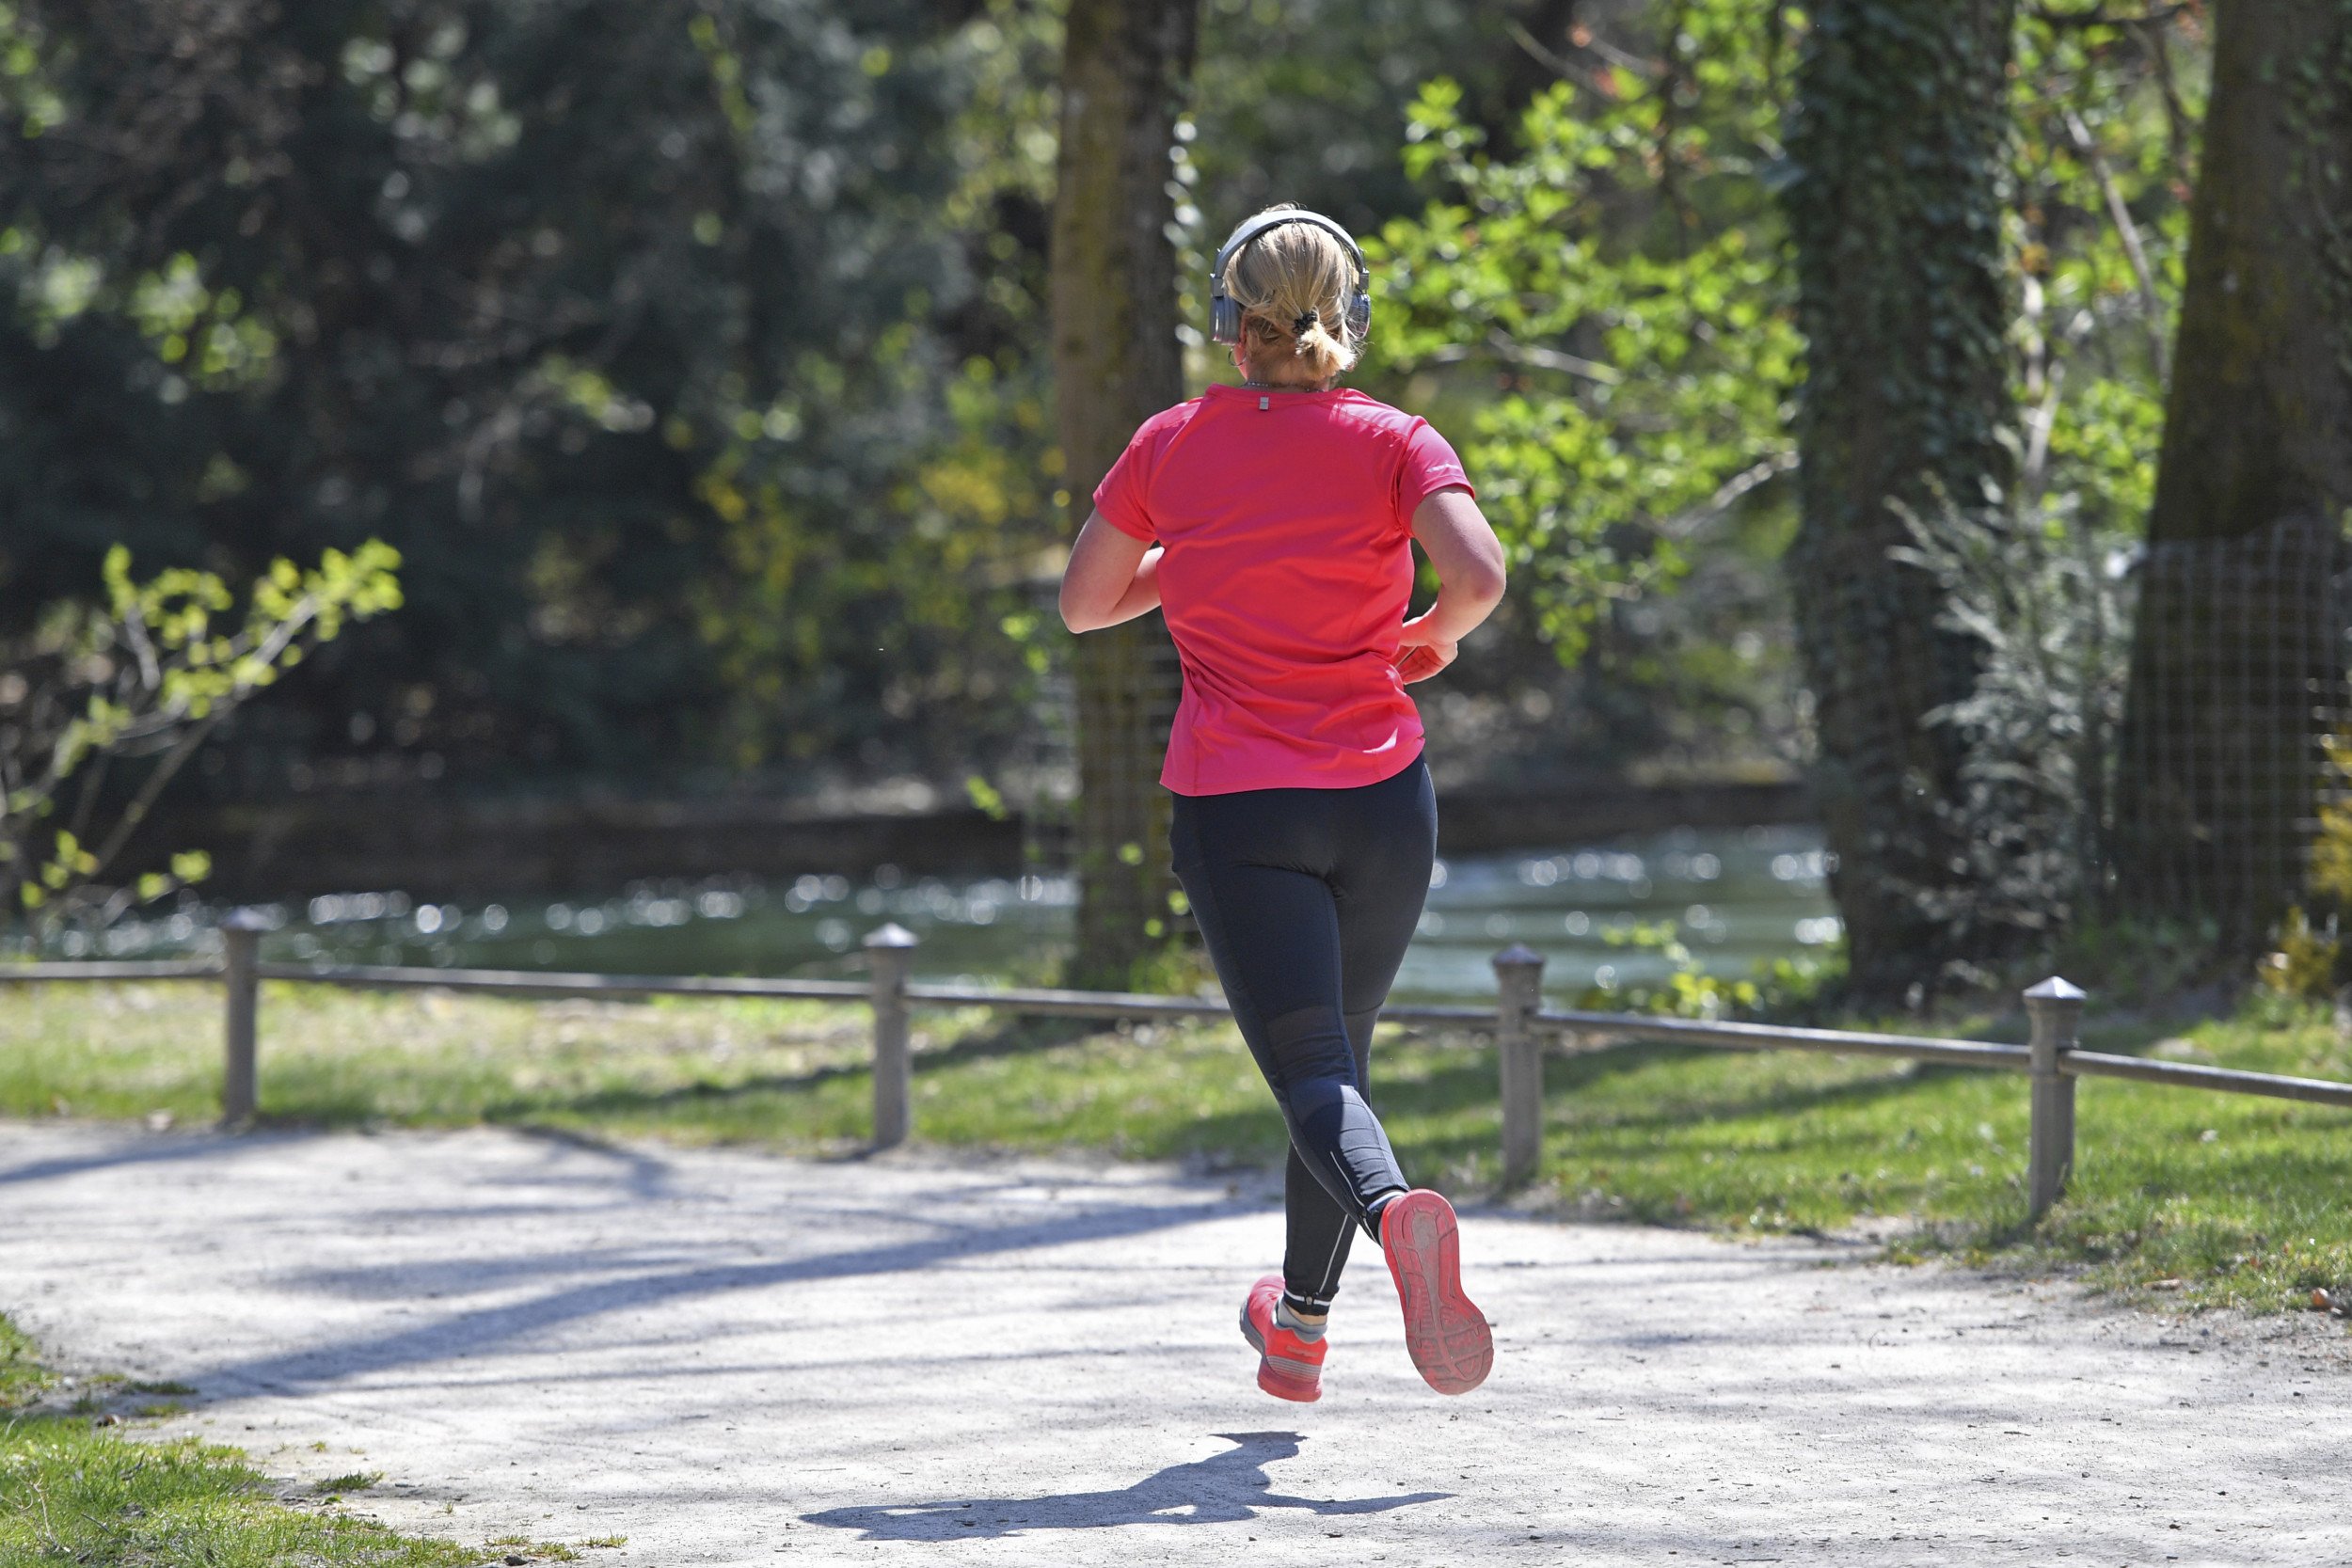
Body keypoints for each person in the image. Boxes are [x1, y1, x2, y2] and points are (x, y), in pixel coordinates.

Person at [1058, 204, 1507, 1402]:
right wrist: (1430, 635)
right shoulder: (1396, 439)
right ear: (1344, 313)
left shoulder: (1170, 442)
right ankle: (1299, 1328)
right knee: (1336, 1066)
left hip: (1241, 801)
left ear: (1228, 322)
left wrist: (1196, 550)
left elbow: (1086, 603)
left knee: (1313, 1067)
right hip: (1381, 798)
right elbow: (1480, 572)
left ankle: (1393, 1209)